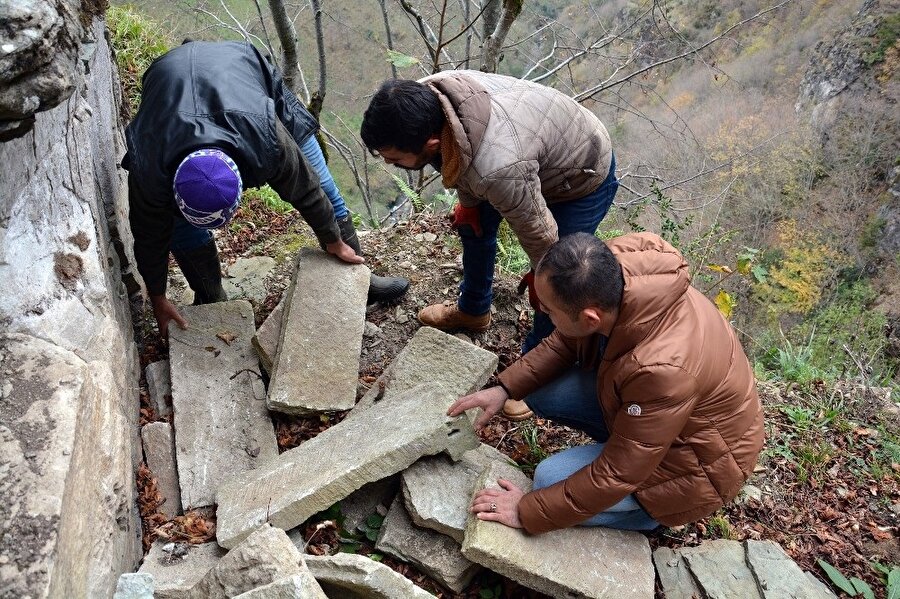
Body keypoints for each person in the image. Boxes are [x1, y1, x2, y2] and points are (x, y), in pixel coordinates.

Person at [448, 232, 764, 534]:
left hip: (697, 464)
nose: (541, 311)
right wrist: (504, 389)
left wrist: (527, 511)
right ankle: (624, 443)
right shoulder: (610, 267)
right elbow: (565, 340)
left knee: (547, 481)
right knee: (539, 392)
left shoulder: (662, 371)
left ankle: (648, 517)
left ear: (591, 319)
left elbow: (619, 472)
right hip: (660, 420)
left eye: (550, 310)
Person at [360, 72, 619, 419]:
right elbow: (463, 154)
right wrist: (469, 204)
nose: (390, 165)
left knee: (557, 284)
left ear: (431, 144)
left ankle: (534, 378)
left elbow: (543, 239)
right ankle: (474, 309)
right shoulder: (427, 98)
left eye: (394, 159)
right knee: (474, 223)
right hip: (530, 146)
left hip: (581, 172)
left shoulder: (498, 168)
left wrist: (542, 278)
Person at [124, 40, 409, 335]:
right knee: (177, 226)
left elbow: (308, 190)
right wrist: (157, 296)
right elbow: (148, 236)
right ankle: (210, 297)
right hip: (168, 83)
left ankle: (359, 278)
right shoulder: (148, 166)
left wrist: (333, 240)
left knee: (322, 183)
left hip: (246, 77)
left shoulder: (266, 139)